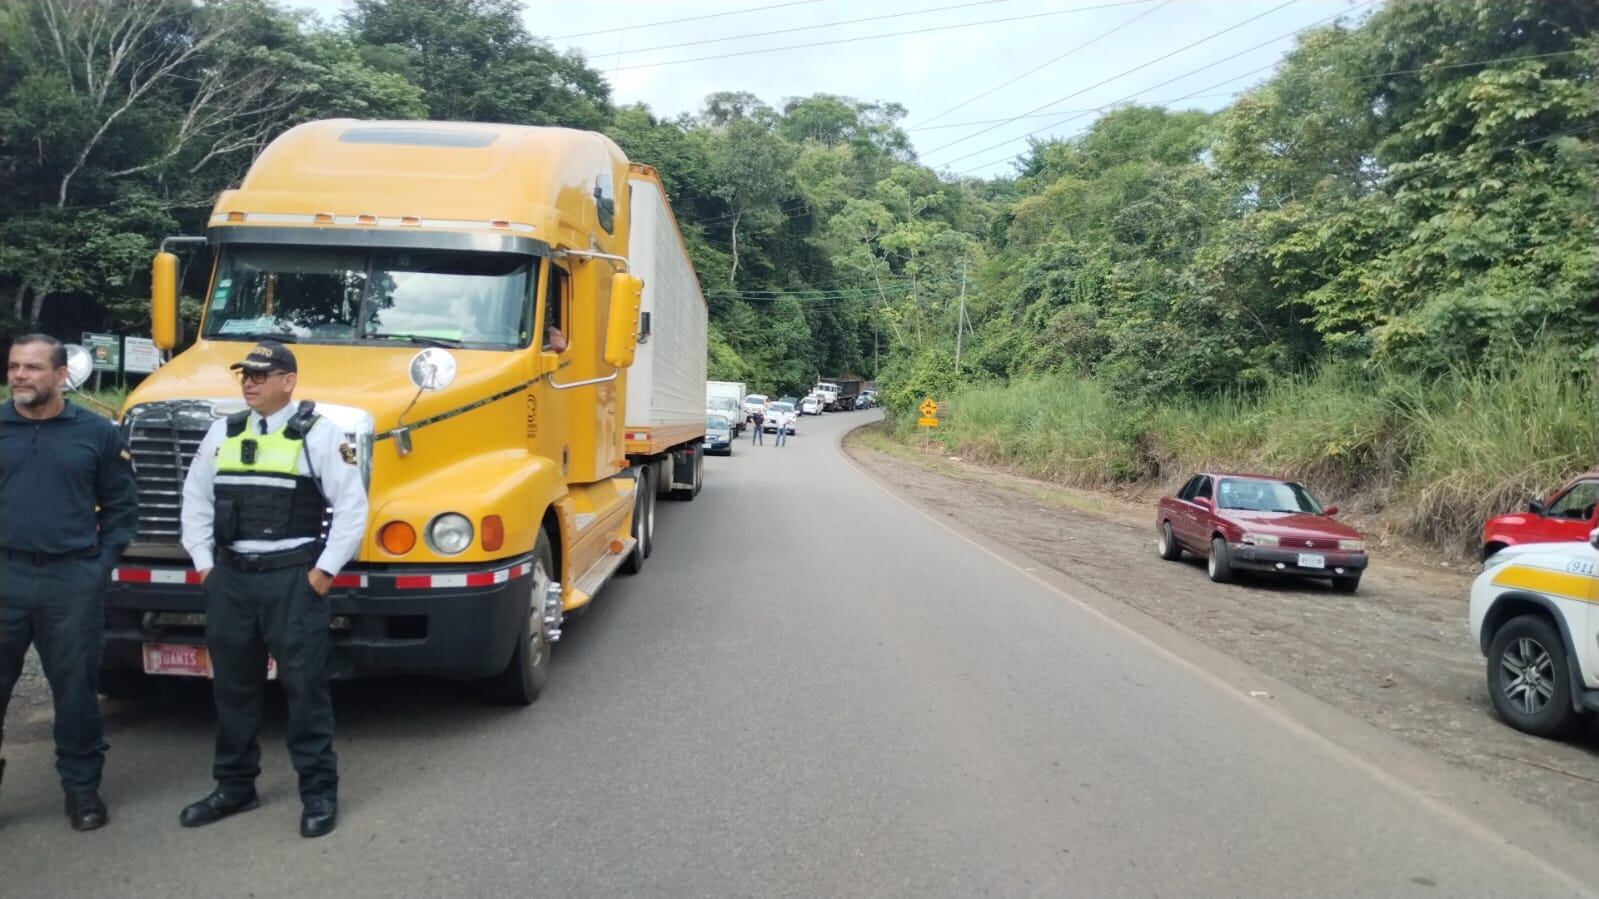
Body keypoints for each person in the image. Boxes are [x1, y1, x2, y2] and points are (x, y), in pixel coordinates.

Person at [177, 340, 368, 839]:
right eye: (245, 375)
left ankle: (319, 792)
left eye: (262, 375)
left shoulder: (320, 435)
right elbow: (194, 500)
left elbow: (351, 508)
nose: (250, 382)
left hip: (292, 580)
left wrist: (322, 573)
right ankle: (235, 787)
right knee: (233, 689)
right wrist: (205, 567)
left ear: (289, 381)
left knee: (305, 689)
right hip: (232, 580)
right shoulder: (222, 430)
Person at [0, 334, 138, 831]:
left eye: (33, 367)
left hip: (71, 579)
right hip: (5, 575)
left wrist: (99, 566)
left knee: (76, 693)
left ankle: (81, 791)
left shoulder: (96, 433)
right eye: (14, 366)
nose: (20, 376)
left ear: (62, 376)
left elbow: (123, 506)